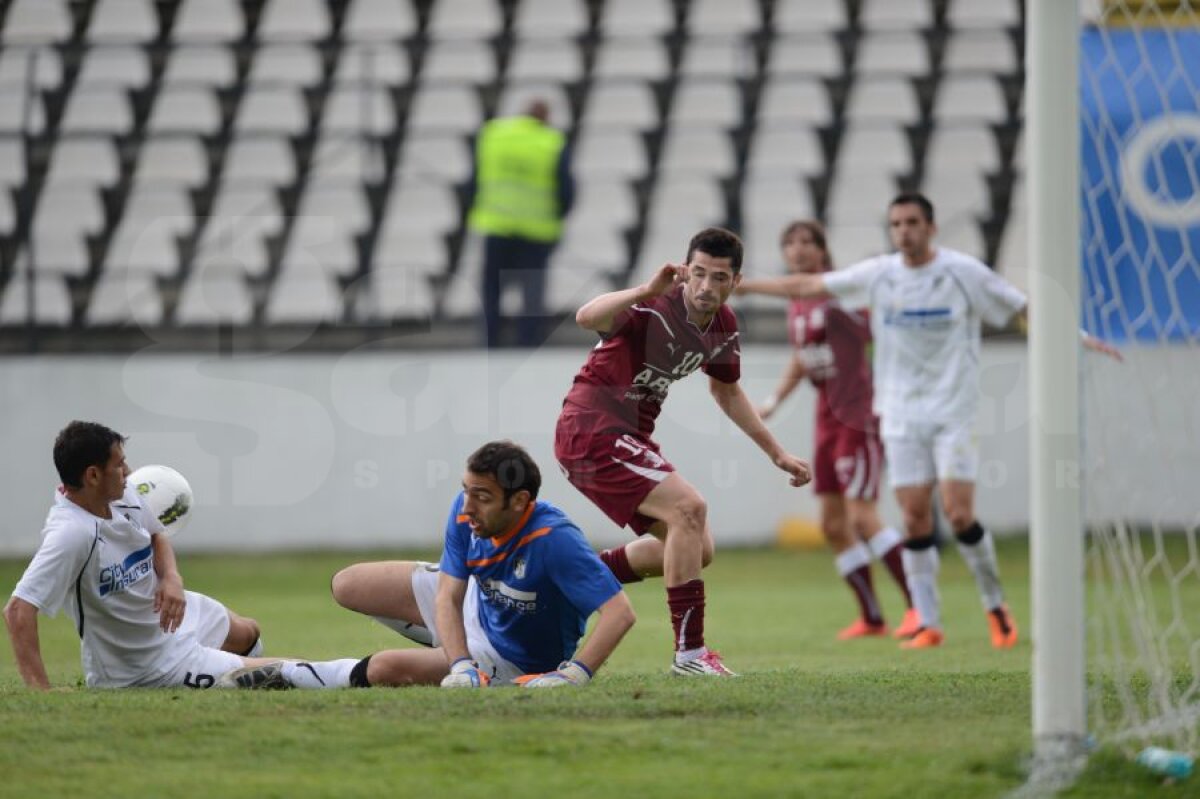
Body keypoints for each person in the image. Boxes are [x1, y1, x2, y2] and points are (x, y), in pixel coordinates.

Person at [737, 193, 1121, 650]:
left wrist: (1076, 336)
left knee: (958, 513)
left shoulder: (962, 273)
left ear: (931, 227)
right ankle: (929, 622)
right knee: (914, 516)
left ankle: (995, 604)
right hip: (900, 414)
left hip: (953, 411)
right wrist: (743, 286)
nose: (904, 231)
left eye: (912, 222)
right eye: (896, 224)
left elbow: (1020, 306)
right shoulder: (879, 274)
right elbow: (806, 286)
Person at [554, 227, 812, 677]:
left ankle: (567, 579)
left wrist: (776, 453)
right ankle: (690, 654)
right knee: (689, 508)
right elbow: (585, 316)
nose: (706, 286)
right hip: (591, 427)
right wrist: (644, 289)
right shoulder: (653, 305)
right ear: (685, 270)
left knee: (696, 547)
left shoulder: (723, 325)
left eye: (719, 277)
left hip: (627, 435)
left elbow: (727, 392)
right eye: (699, 273)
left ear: (735, 281)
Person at [219, 440, 635, 690]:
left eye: (482, 497)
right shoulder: (466, 511)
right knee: (348, 584)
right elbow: (449, 596)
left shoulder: (556, 540)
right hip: (472, 602)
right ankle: (450, 654)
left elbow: (620, 613)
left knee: (385, 668)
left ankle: (291, 674)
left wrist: (573, 675)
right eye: (466, 491)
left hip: (510, 657)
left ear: (520, 502)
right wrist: (459, 665)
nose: (467, 507)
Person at [3, 421, 274, 689]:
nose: (128, 471)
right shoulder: (71, 533)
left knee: (248, 631)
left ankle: (231, 679)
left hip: (167, 618)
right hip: (146, 666)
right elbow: (17, 610)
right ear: (93, 476)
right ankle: (222, 674)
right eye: (119, 464)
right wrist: (41, 690)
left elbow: (156, 534)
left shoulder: (122, 494)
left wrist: (171, 578)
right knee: (282, 671)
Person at [756, 221, 917, 641]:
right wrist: (773, 401)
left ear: (822, 251)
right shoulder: (797, 304)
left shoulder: (840, 294)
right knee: (832, 524)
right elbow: (802, 357)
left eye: (806, 242)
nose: (797, 249)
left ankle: (920, 607)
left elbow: (873, 330)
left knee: (862, 515)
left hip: (857, 415)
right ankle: (873, 617)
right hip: (825, 417)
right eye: (789, 243)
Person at [466, 98, 575, 349]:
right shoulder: (552, 142)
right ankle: (528, 340)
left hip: (496, 225)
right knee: (532, 287)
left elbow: (474, 180)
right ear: (545, 118)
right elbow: (566, 189)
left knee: (492, 285)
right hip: (537, 229)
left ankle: (490, 339)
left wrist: (477, 207)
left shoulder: (493, 135)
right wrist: (558, 216)